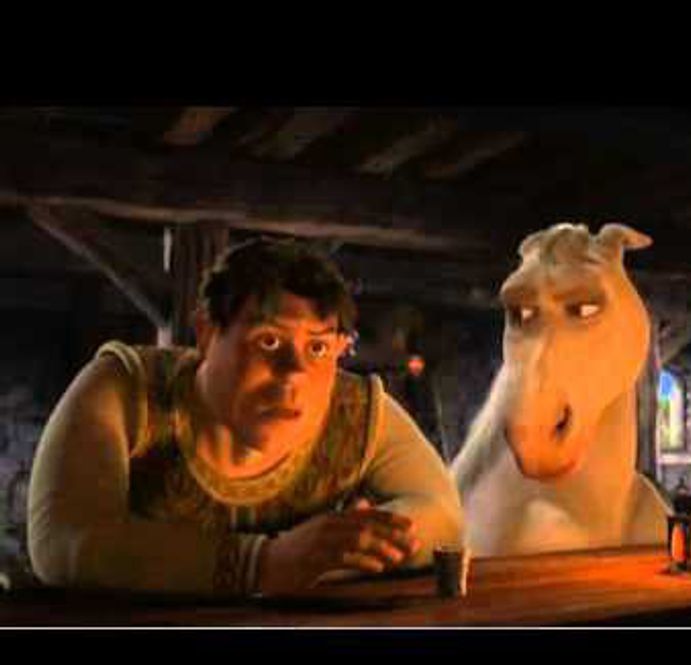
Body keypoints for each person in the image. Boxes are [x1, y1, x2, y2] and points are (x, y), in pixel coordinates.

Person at [27, 240, 464, 597]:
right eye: (269, 341)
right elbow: (65, 540)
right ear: (206, 332)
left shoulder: (356, 410)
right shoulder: (125, 390)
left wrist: (333, 552)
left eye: (317, 347)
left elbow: (444, 518)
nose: (294, 372)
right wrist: (262, 565)